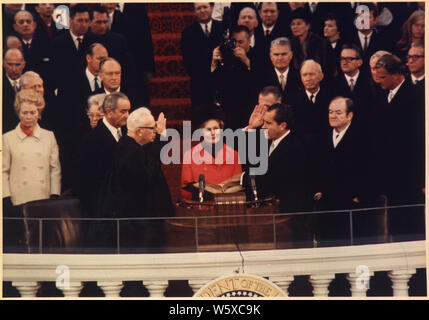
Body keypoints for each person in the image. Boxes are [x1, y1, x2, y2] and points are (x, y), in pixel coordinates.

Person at [93, 107, 173, 253]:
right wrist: (162, 136)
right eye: (152, 128)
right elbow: (148, 177)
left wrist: (162, 135)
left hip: (144, 224)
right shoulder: (127, 152)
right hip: (136, 228)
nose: (155, 131)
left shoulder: (135, 146)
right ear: (138, 131)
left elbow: (152, 157)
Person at [3, 89, 61, 252]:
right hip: (18, 200)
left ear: (39, 113)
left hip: (43, 199)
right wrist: (6, 197)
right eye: (24, 112)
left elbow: (54, 169)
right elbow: (3, 170)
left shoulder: (49, 136)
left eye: (32, 112)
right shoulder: (7, 138)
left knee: (42, 242)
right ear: (18, 113)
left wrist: (54, 194)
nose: (28, 116)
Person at [78, 92, 130, 218]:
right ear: (109, 112)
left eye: (128, 111)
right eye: (123, 112)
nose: (127, 116)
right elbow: (88, 179)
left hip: (124, 206)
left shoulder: (127, 133)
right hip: (102, 210)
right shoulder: (92, 139)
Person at [181, 105, 242, 201]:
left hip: (227, 207)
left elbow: (239, 187)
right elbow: (185, 190)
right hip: (202, 208)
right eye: (208, 130)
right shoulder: (189, 155)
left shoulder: (234, 154)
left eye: (216, 128)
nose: (213, 132)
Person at [181, 3, 224, 112]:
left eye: (205, 7)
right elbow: (188, 61)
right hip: (199, 82)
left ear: (212, 8)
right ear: (194, 11)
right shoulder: (187, 32)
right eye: (198, 8)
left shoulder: (223, 27)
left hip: (222, 80)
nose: (202, 10)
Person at [331, 44, 372, 128]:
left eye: (349, 59)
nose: (344, 62)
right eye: (342, 58)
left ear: (359, 62)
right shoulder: (332, 83)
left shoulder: (370, 82)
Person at [257, 37, 300, 104]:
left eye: (284, 54)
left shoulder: (300, 76)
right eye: (276, 54)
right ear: (271, 56)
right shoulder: (261, 77)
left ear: (291, 55)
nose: (280, 58)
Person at [289, 7, 327, 73]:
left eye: (299, 24)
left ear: (308, 26)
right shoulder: (291, 43)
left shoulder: (320, 42)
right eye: (293, 24)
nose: (295, 27)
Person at [3, 48, 26, 133]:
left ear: (24, 64)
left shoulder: (31, 82)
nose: (14, 69)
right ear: (3, 63)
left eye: (17, 65)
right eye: (10, 64)